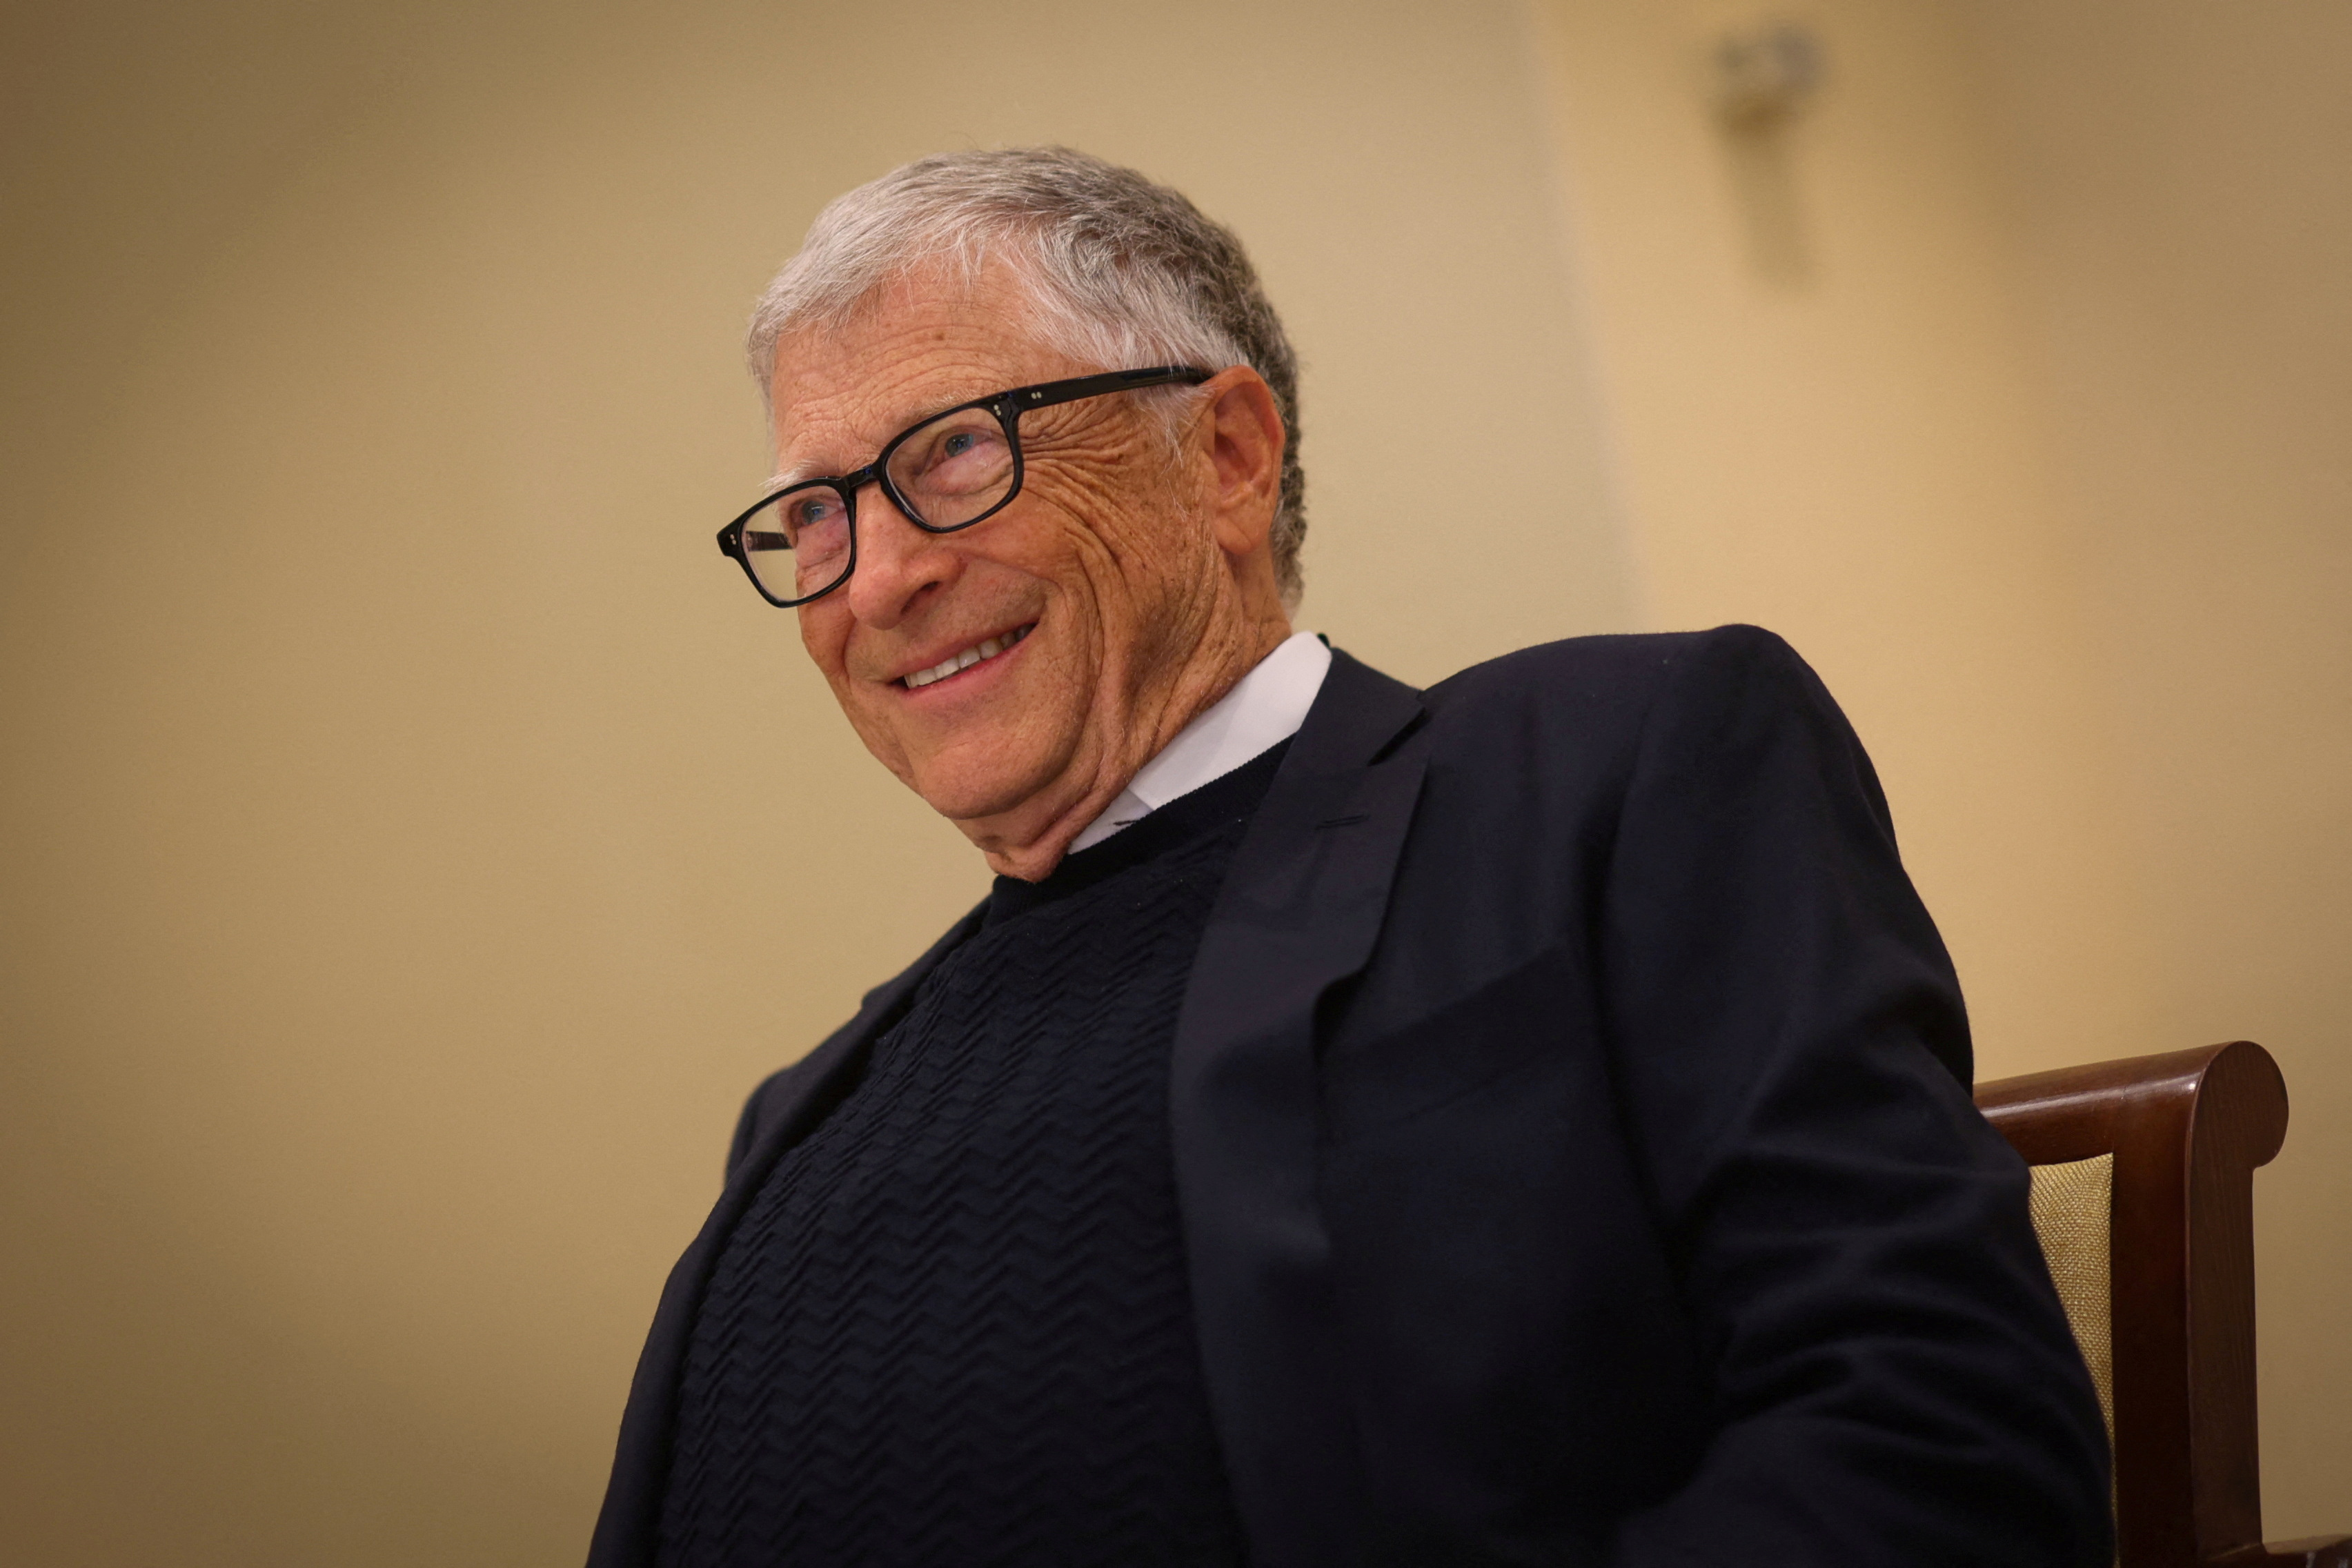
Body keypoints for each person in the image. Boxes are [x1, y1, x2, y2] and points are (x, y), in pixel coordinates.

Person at [589, 147, 2111, 1568]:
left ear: (1230, 455)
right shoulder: (805, 1107)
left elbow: (1937, 1434)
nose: (884, 578)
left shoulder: (1605, 768)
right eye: (814, 516)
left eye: (956, 456)